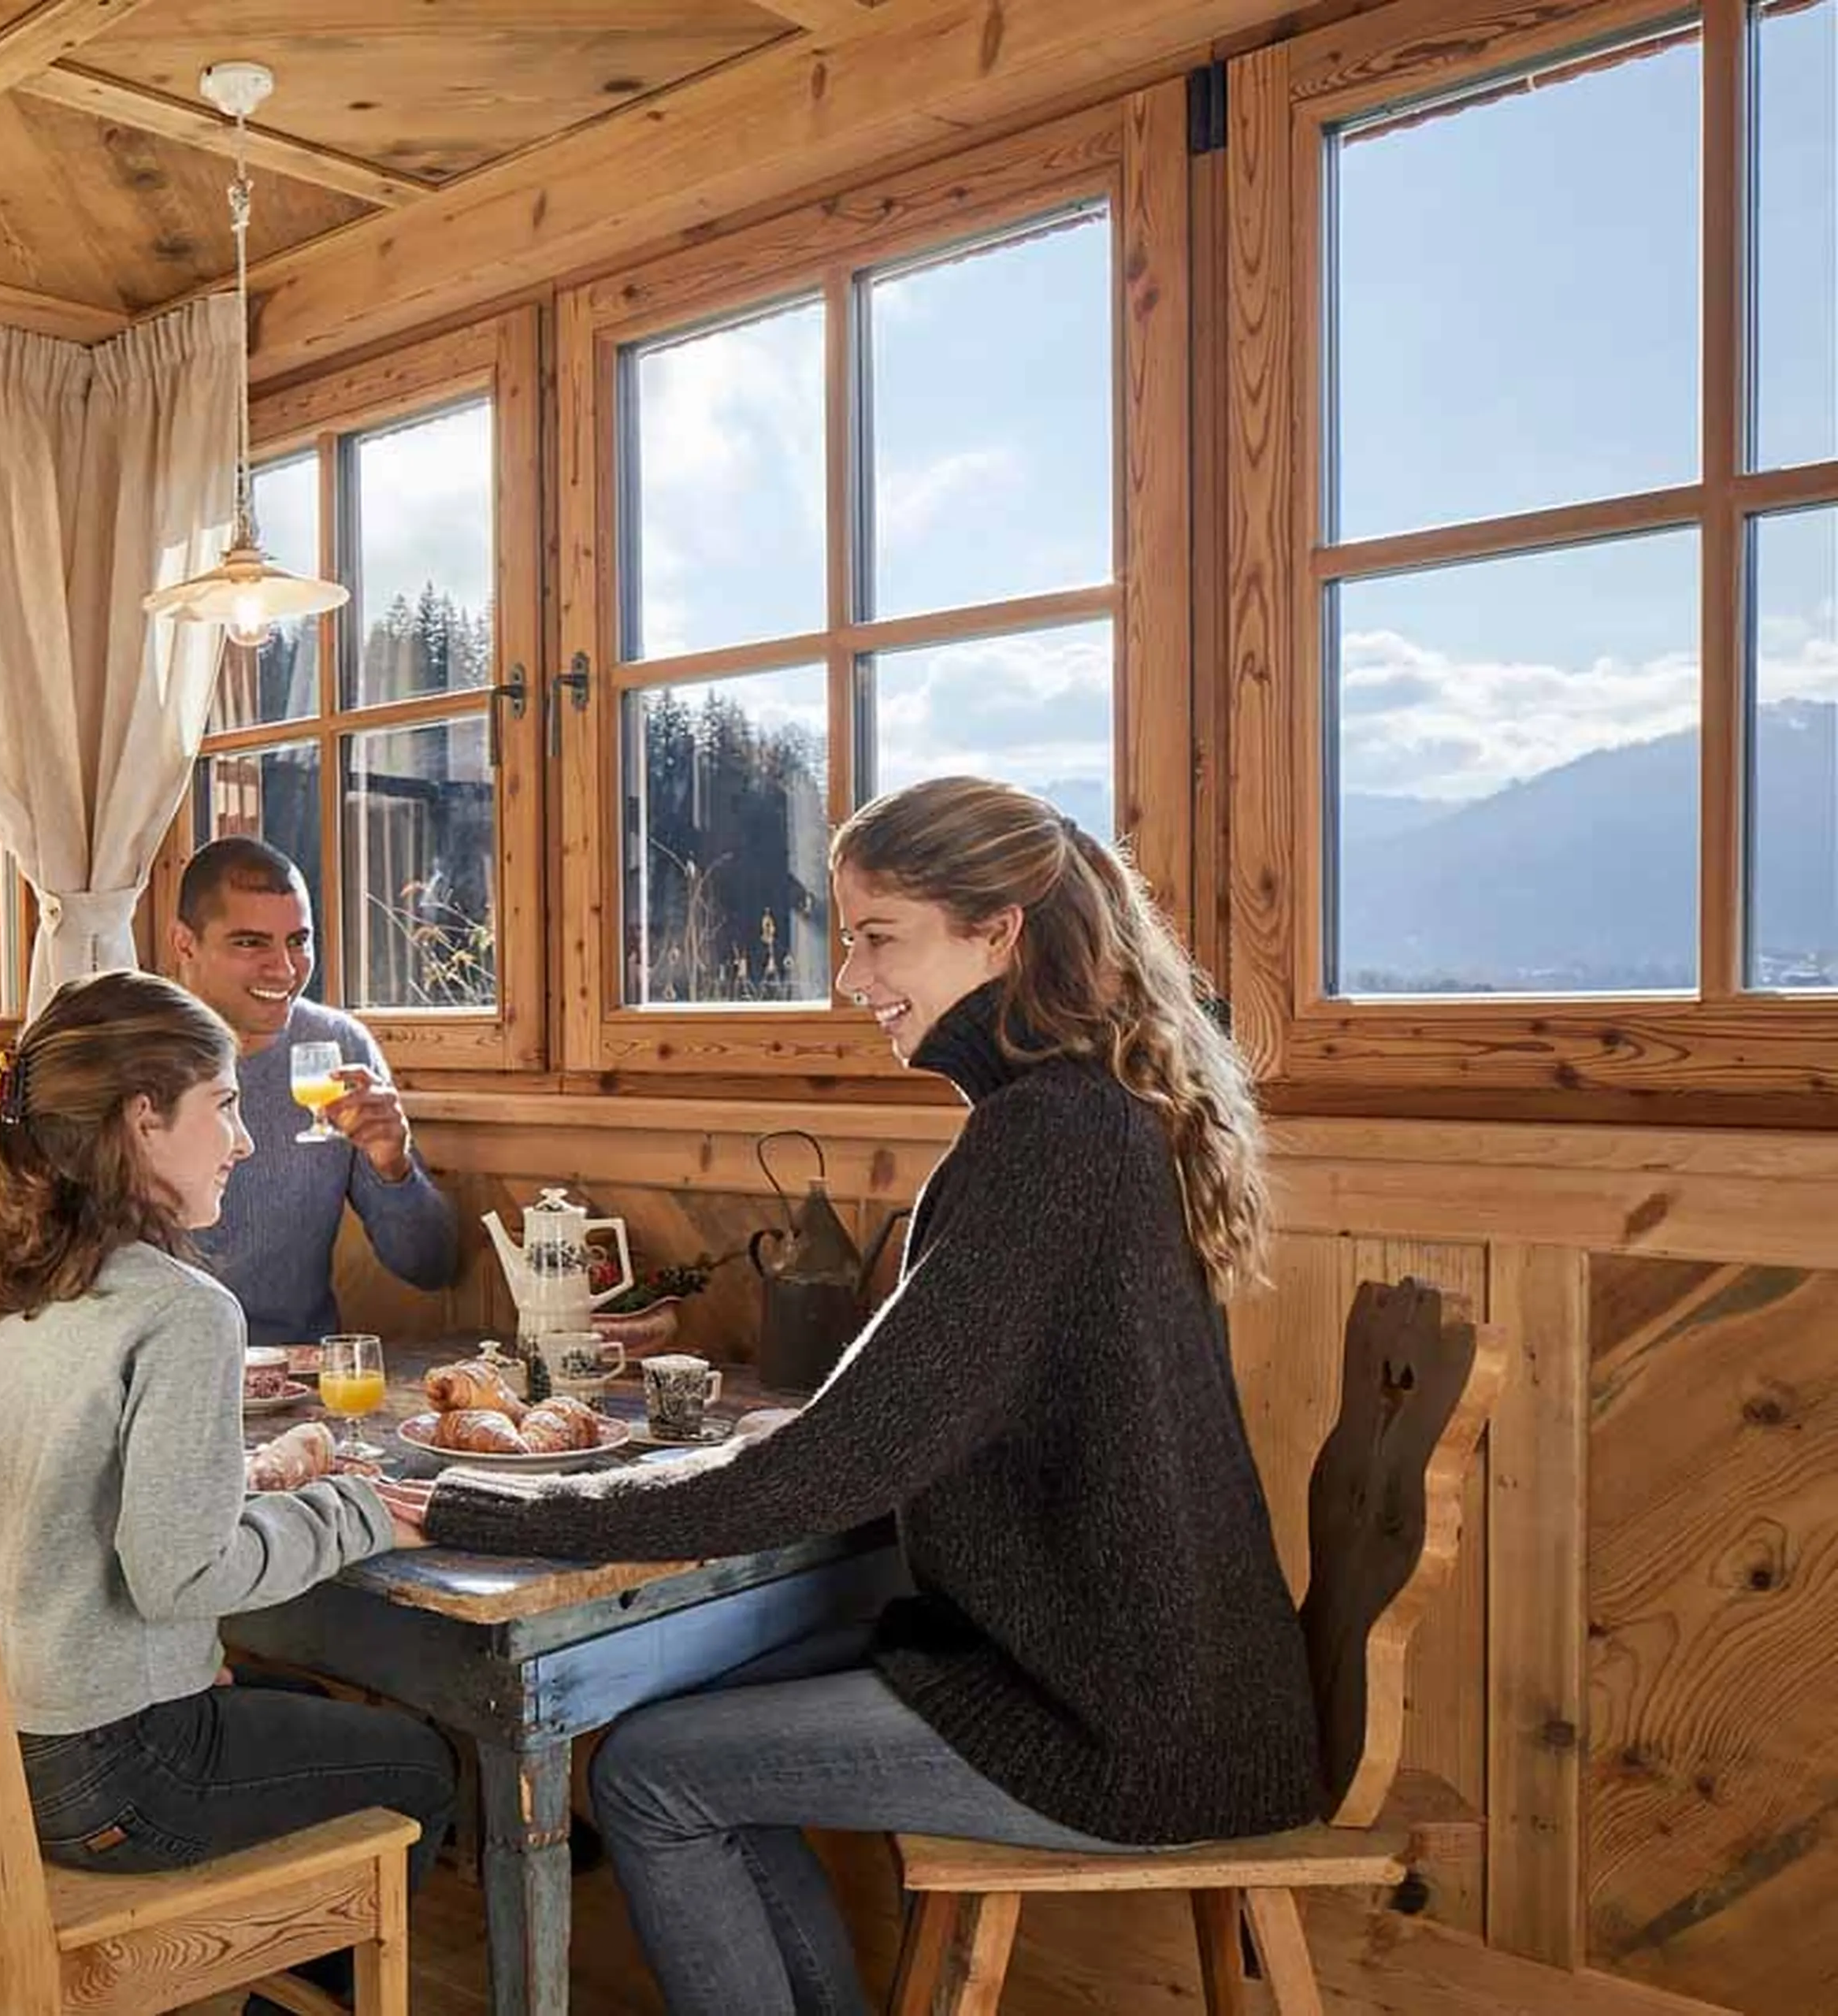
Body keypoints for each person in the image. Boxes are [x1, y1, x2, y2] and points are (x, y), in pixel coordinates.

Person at [371, 777, 1320, 2014]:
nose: (850, 975)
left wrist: (484, 1506)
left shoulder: (1047, 1140)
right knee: (692, 1705)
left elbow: (835, 1466)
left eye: (879, 936)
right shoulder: (1083, 1114)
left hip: (1129, 1727)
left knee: (652, 1773)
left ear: (1001, 931)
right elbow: (890, 1429)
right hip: (1169, 1685)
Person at [0, 969, 458, 2013]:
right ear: (143, 1120)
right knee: (422, 1763)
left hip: (4, 1750)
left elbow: (77, 1516)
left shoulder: (10, 1288)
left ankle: (258, 1987)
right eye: (223, 1106)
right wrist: (359, 1509)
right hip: (116, 1779)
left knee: (301, 1706)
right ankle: (257, 1987)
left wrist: (255, 1485)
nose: (246, 1140)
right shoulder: (183, 1311)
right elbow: (183, 1571)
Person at [167, 836, 459, 1346]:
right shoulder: (129, 1050)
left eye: (299, 941)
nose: (284, 968)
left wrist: (395, 1168)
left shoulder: (339, 1047)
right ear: (184, 943)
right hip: (161, 1376)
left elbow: (432, 1267)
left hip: (302, 1382)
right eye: (250, 942)